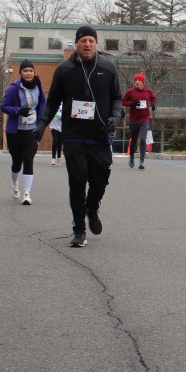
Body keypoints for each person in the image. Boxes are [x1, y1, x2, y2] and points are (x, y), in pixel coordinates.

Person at [34, 25, 122, 248]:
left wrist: (115, 117)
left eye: (91, 41)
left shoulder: (108, 67)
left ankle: (92, 207)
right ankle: (79, 229)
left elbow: (117, 98)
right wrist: (42, 124)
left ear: (96, 44)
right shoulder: (64, 70)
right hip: (74, 136)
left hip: (100, 136)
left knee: (100, 181)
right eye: (83, 40)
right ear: (76, 44)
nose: (87, 44)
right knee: (77, 181)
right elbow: (52, 101)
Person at [0, 60, 46, 205]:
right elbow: (4, 106)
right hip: (15, 131)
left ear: (34, 72)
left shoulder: (38, 86)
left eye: (31, 71)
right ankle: (15, 185)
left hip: (31, 130)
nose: (28, 73)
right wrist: (18, 111)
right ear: (20, 73)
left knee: (28, 159)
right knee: (17, 161)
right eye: (25, 71)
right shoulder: (14, 88)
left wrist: (41, 124)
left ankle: (26, 193)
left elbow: (42, 105)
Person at [122, 73, 157, 170]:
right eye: (135, 80)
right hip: (134, 120)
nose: (137, 82)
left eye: (139, 80)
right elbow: (123, 101)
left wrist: (153, 104)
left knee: (142, 139)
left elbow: (153, 98)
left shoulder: (147, 91)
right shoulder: (130, 91)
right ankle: (132, 157)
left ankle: (142, 161)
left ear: (142, 82)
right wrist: (131, 104)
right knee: (133, 141)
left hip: (144, 119)